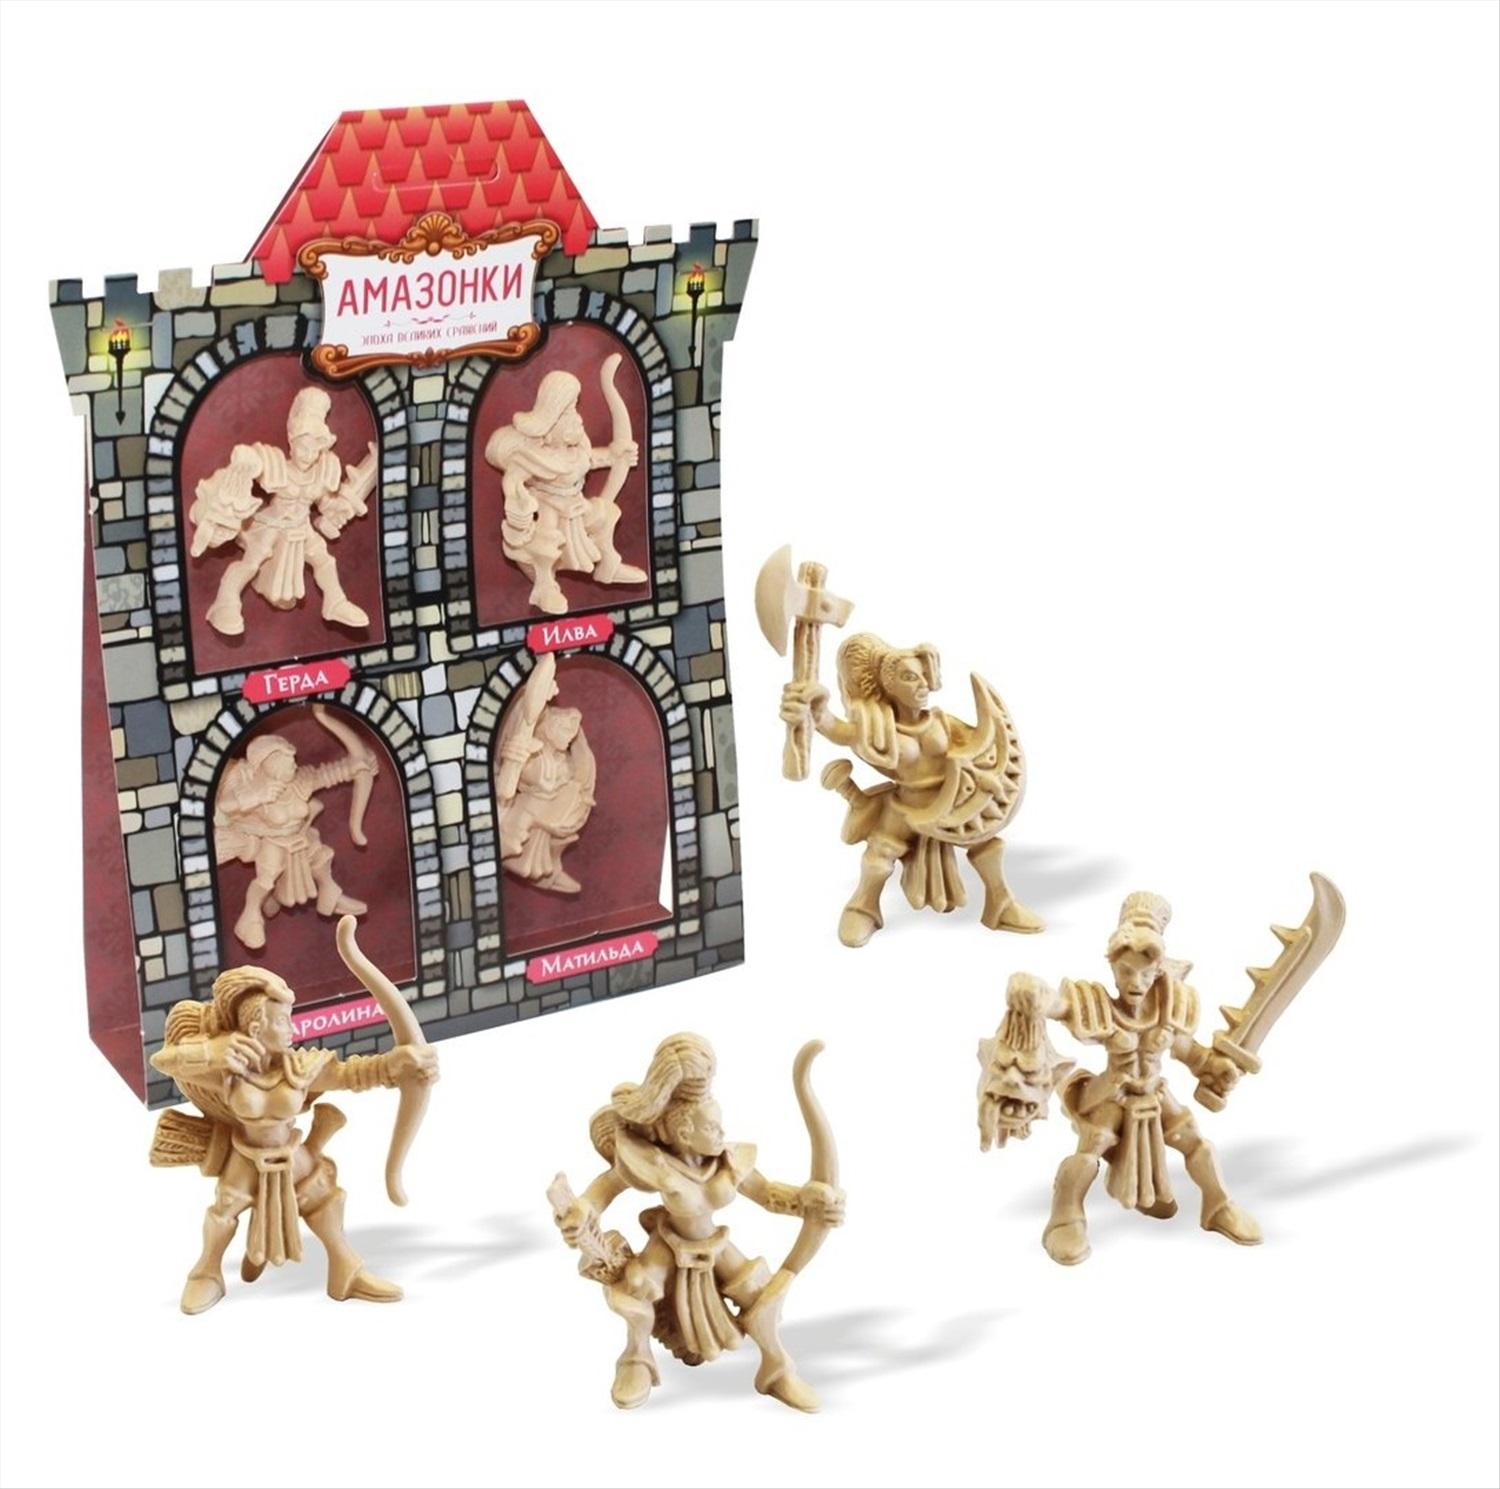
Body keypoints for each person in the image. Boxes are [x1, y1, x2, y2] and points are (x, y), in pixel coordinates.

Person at [553, 1033, 845, 1411]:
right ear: (684, 1133)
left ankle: (777, 1368)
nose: (721, 1134)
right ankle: (636, 1360)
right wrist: (583, 1210)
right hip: (667, 1242)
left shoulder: (728, 1161)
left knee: (759, 1291)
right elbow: (606, 1187)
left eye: (720, 1125)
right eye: (711, 1129)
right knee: (637, 1285)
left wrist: (809, 1202)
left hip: (714, 1243)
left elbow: (769, 1194)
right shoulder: (656, 1164)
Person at [983, 892, 1258, 1265]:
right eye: (1126, 970)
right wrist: (1035, 994)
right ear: (1112, 967)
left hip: (1155, 1093)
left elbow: (1191, 1054)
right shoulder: (1098, 1007)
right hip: (1111, 1094)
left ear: (1159, 969)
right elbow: (1060, 1006)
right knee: (1091, 1148)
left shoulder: (1170, 1009)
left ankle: (1218, 1205)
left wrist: (1214, 1067)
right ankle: (1065, 1218)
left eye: (1145, 972)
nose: (1135, 981)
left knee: (1196, 1142)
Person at [149, 965, 437, 1313]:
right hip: (245, 1158)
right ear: (256, 1028)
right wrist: (213, 1051)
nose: (293, 1029)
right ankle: (206, 1272)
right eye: (283, 1021)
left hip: (292, 1155)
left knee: (324, 1201)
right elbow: (163, 1062)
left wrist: (397, 1065)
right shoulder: (230, 1073)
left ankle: (346, 1271)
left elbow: (353, 1073)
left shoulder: (301, 1069)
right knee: (223, 1212)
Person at [782, 632, 1041, 946]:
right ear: (890, 685)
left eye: (923, 676)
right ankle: (864, 907)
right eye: (909, 678)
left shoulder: (942, 722)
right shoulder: (878, 730)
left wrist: (989, 782)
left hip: (950, 802)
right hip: (906, 806)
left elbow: (978, 747)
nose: (922, 685)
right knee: (879, 855)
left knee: (986, 844)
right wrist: (815, 711)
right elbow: (838, 730)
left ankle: (1001, 904)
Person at [190, 386, 375, 636]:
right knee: (252, 561)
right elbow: (253, 460)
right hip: (272, 525)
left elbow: (324, 502)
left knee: (323, 559)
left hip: (302, 526)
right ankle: (226, 603)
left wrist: (338, 509)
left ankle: (335, 602)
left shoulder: (324, 470)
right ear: (291, 440)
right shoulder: (276, 465)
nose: (308, 455)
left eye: (314, 449)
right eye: (303, 447)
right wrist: (246, 460)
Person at [214, 705, 377, 950]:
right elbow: (224, 806)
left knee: (320, 858)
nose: (293, 764)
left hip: (300, 837)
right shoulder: (253, 787)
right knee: (267, 879)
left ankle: (330, 896)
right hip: (269, 842)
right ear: (269, 765)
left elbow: (328, 774)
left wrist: (354, 766)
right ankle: (251, 919)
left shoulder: (299, 780)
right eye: (286, 761)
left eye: (292, 759)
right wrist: (256, 796)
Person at [483, 365, 642, 615]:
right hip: (551, 512)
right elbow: (513, 479)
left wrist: (615, 455)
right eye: (568, 412)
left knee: (606, 515)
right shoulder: (536, 457)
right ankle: (545, 587)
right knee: (547, 546)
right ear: (550, 419)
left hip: (577, 507)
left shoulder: (576, 450)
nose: (578, 418)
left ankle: (608, 565)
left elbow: (591, 460)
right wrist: (518, 502)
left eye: (575, 408)